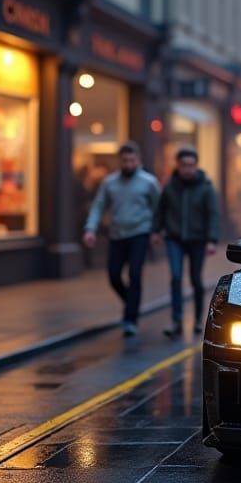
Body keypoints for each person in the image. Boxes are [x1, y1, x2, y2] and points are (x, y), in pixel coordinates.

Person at [83, 141, 161, 336]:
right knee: (114, 275)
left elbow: (158, 209)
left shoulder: (149, 182)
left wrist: (156, 231)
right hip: (117, 234)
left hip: (140, 233)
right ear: (119, 161)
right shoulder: (110, 182)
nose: (128, 164)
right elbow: (99, 206)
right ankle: (132, 302)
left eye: (131, 160)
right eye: (124, 160)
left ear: (138, 160)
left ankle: (130, 319)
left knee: (135, 274)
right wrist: (90, 229)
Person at [155, 147, 220, 337]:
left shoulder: (206, 187)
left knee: (195, 279)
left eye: (191, 165)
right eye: (184, 165)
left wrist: (211, 240)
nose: (187, 169)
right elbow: (161, 210)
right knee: (175, 277)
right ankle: (176, 320)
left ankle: (199, 319)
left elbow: (213, 215)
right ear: (178, 165)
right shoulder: (170, 186)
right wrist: (156, 231)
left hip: (198, 240)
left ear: (196, 166)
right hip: (174, 238)